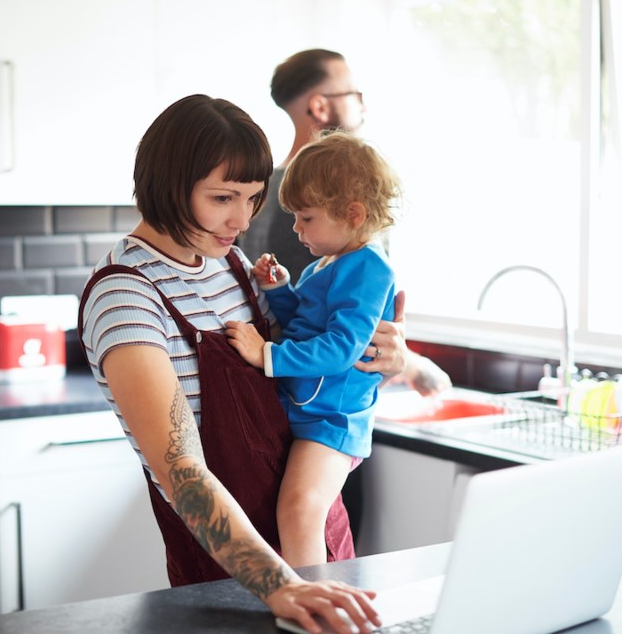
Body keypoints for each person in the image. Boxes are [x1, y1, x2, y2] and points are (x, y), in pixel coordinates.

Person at [79, 94, 412, 634]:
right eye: (222, 197)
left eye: (253, 198)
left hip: (317, 543)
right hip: (235, 583)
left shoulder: (226, 261)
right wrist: (284, 585)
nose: (241, 219)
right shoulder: (126, 298)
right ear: (168, 185)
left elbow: (305, 355)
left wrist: (385, 356)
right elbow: (182, 473)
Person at [226, 131, 398, 568]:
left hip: (331, 421)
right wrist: (280, 288)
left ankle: (308, 606)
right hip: (309, 412)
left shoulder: (369, 267)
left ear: (353, 213)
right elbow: (305, 322)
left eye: (306, 218)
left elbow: (342, 347)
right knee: (295, 512)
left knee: (300, 509)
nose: (297, 229)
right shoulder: (330, 261)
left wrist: (266, 354)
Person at [240, 48, 451, 396]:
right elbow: (327, 325)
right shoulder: (325, 207)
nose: (363, 106)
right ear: (321, 106)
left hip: (285, 389)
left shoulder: (259, 191)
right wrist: (408, 365)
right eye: (355, 95)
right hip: (319, 395)